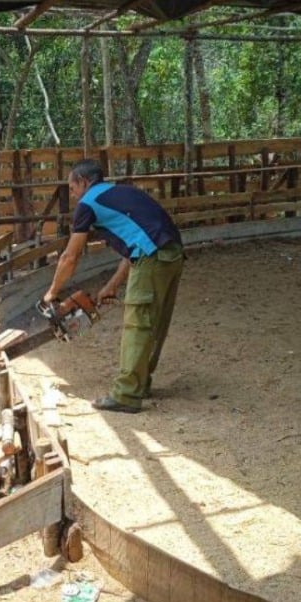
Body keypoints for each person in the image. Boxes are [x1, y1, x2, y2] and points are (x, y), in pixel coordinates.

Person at [43, 159, 185, 413]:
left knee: (137, 324)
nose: (73, 195)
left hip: (151, 256)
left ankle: (127, 394)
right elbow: (134, 246)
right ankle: (140, 383)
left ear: (83, 182)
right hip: (171, 253)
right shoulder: (121, 193)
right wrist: (111, 285)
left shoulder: (88, 204)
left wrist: (52, 292)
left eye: (72, 188)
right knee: (155, 321)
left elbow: (69, 257)